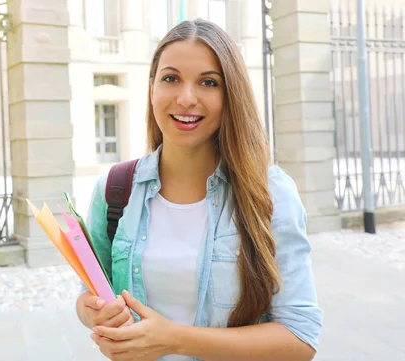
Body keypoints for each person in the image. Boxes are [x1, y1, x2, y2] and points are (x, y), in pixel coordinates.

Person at [75, 18, 322, 361]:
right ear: (152, 89)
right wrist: (92, 311)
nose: (186, 98)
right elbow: (90, 292)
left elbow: (300, 337)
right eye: (171, 78)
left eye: (208, 82)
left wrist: (174, 340)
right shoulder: (115, 190)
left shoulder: (270, 193)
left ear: (230, 94)